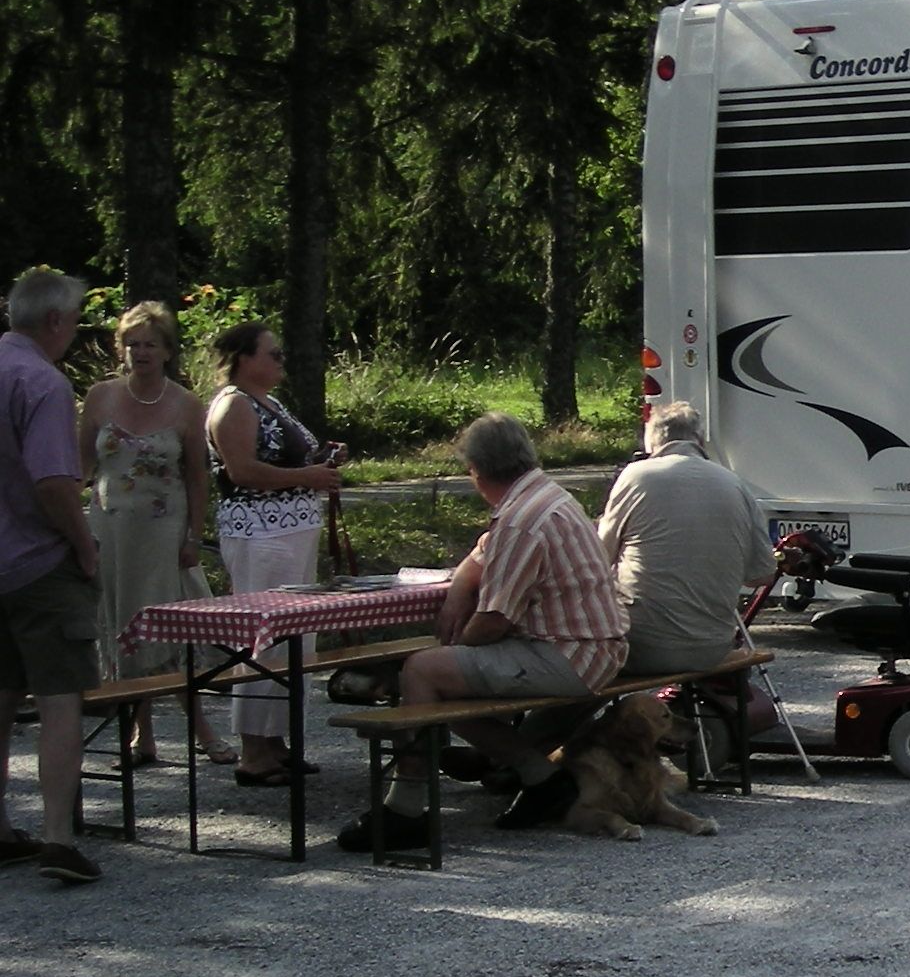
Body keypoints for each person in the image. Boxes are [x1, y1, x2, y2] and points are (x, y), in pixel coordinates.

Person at [348, 413, 630, 851]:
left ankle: (406, 809)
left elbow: (494, 620)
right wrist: (462, 585)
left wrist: (451, 650)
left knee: (423, 672)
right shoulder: (546, 496)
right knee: (443, 676)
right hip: (593, 648)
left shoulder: (519, 521)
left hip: (569, 656)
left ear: (476, 472)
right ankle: (540, 776)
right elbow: (482, 555)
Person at [204, 321, 345, 788]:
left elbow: (283, 457)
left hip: (290, 534)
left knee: (292, 640)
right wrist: (307, 477)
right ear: (245, 358)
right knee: (263, 638)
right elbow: (242, 470)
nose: (280, 361)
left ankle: (276, 742)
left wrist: (321, 460)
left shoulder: (270, 404)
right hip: (260, 537)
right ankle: (253, 750)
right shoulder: (234, 406)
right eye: (273, 354)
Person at [82, 299, 221, 766]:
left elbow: (198, 477)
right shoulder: (100, 397)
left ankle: (203, 732)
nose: (140, 353)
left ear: (166, 351)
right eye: (132, 344)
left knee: (169, 628)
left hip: (163, 529)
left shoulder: (185, 403)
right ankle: (140, 737)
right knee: (123, 627)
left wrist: (192, 536)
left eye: (150, 345)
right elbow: (80, 465)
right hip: (110, 528)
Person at [0, 268, 104, 883]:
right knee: (61, 699)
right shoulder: (42, 382)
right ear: (57, 322)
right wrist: (84, 547)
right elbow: (53, 482)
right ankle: (58, 839)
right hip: (39, 564)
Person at [598, 401, 774, 677]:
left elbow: (598, 559)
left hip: (641, 646)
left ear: (652, 441)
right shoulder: (735, 484)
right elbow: (761, 575)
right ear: (700, 439)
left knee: (580, 670)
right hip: (713, 648)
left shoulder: (636, 476)